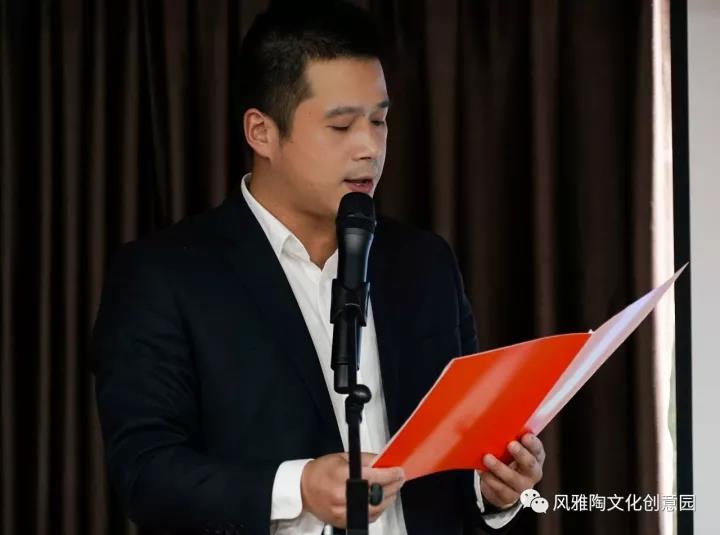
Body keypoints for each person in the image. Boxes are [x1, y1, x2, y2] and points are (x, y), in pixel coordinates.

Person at [92, 2, 546, 534]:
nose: (369, 147)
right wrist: (299, 486)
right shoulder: (164, 276)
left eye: (379, 120)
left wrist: (490, 489)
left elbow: (457, 450)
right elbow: (146, 475)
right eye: (341, 125)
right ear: (261, 133)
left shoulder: (424, 263)